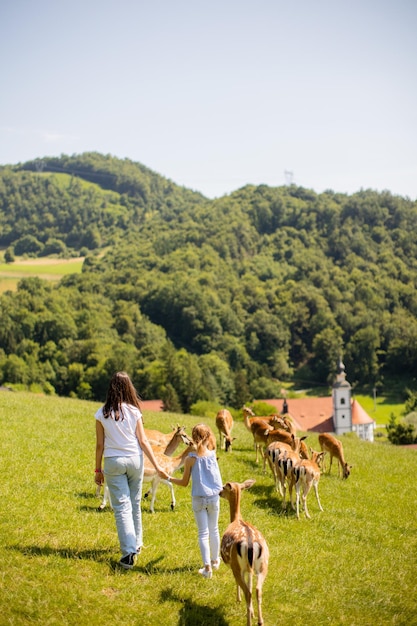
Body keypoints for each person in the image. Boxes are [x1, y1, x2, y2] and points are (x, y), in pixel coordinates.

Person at [94, 371, 168, 569]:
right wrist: (158, 465)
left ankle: (128, 553)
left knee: (122, 508)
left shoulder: (102, 413)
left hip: (113, 462)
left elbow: (99, 446)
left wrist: (97, 470)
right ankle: (137, 543)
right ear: (129, 388)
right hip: (135, 461)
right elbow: (143, 441)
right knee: (134, 503)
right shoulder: (135, 412)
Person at [168, 423, 223, 579]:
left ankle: (207, 568)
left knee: (203, 533)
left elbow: (184, 483)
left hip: (199, 498)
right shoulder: (212, 454)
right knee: (214, 530)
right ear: (208, 436)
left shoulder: (190, 459)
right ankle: (215, 561)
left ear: (193, 437)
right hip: (214, 497)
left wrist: (169, 478)